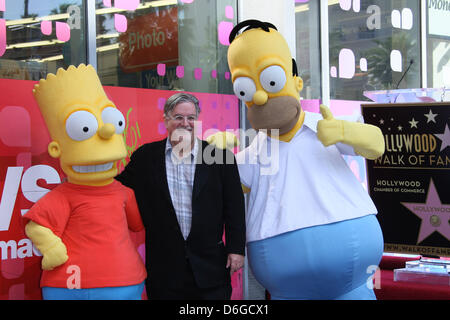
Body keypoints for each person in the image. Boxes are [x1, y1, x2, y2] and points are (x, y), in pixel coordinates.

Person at [226, 20, 385, 300]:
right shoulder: (254, 153)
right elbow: (222, 184)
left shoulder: (327, 127)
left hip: (351, 272)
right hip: (287, 281)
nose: (261, 96)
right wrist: (212, 153)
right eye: (246, 90)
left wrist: (345, 131)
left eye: (270, 81)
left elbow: (376, 144)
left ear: (296, 82)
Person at [23, 64, 146, 300]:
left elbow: (137, 223)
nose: (108, 131)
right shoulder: (65, 195)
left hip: (118, 279)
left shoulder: (123, 193)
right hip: (74, 283)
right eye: (84, 128)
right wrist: (51, 248)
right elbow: (35, 225)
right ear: (56, 149)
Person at [116, 92, 246, 300]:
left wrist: (236, 249)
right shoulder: (145, 157)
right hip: (164, 269)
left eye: (191, 118)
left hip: (210, 268)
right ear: (166, 120)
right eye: (178, 117)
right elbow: (118, 189)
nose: (185, 123)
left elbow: (235, 208)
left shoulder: (220, 158)